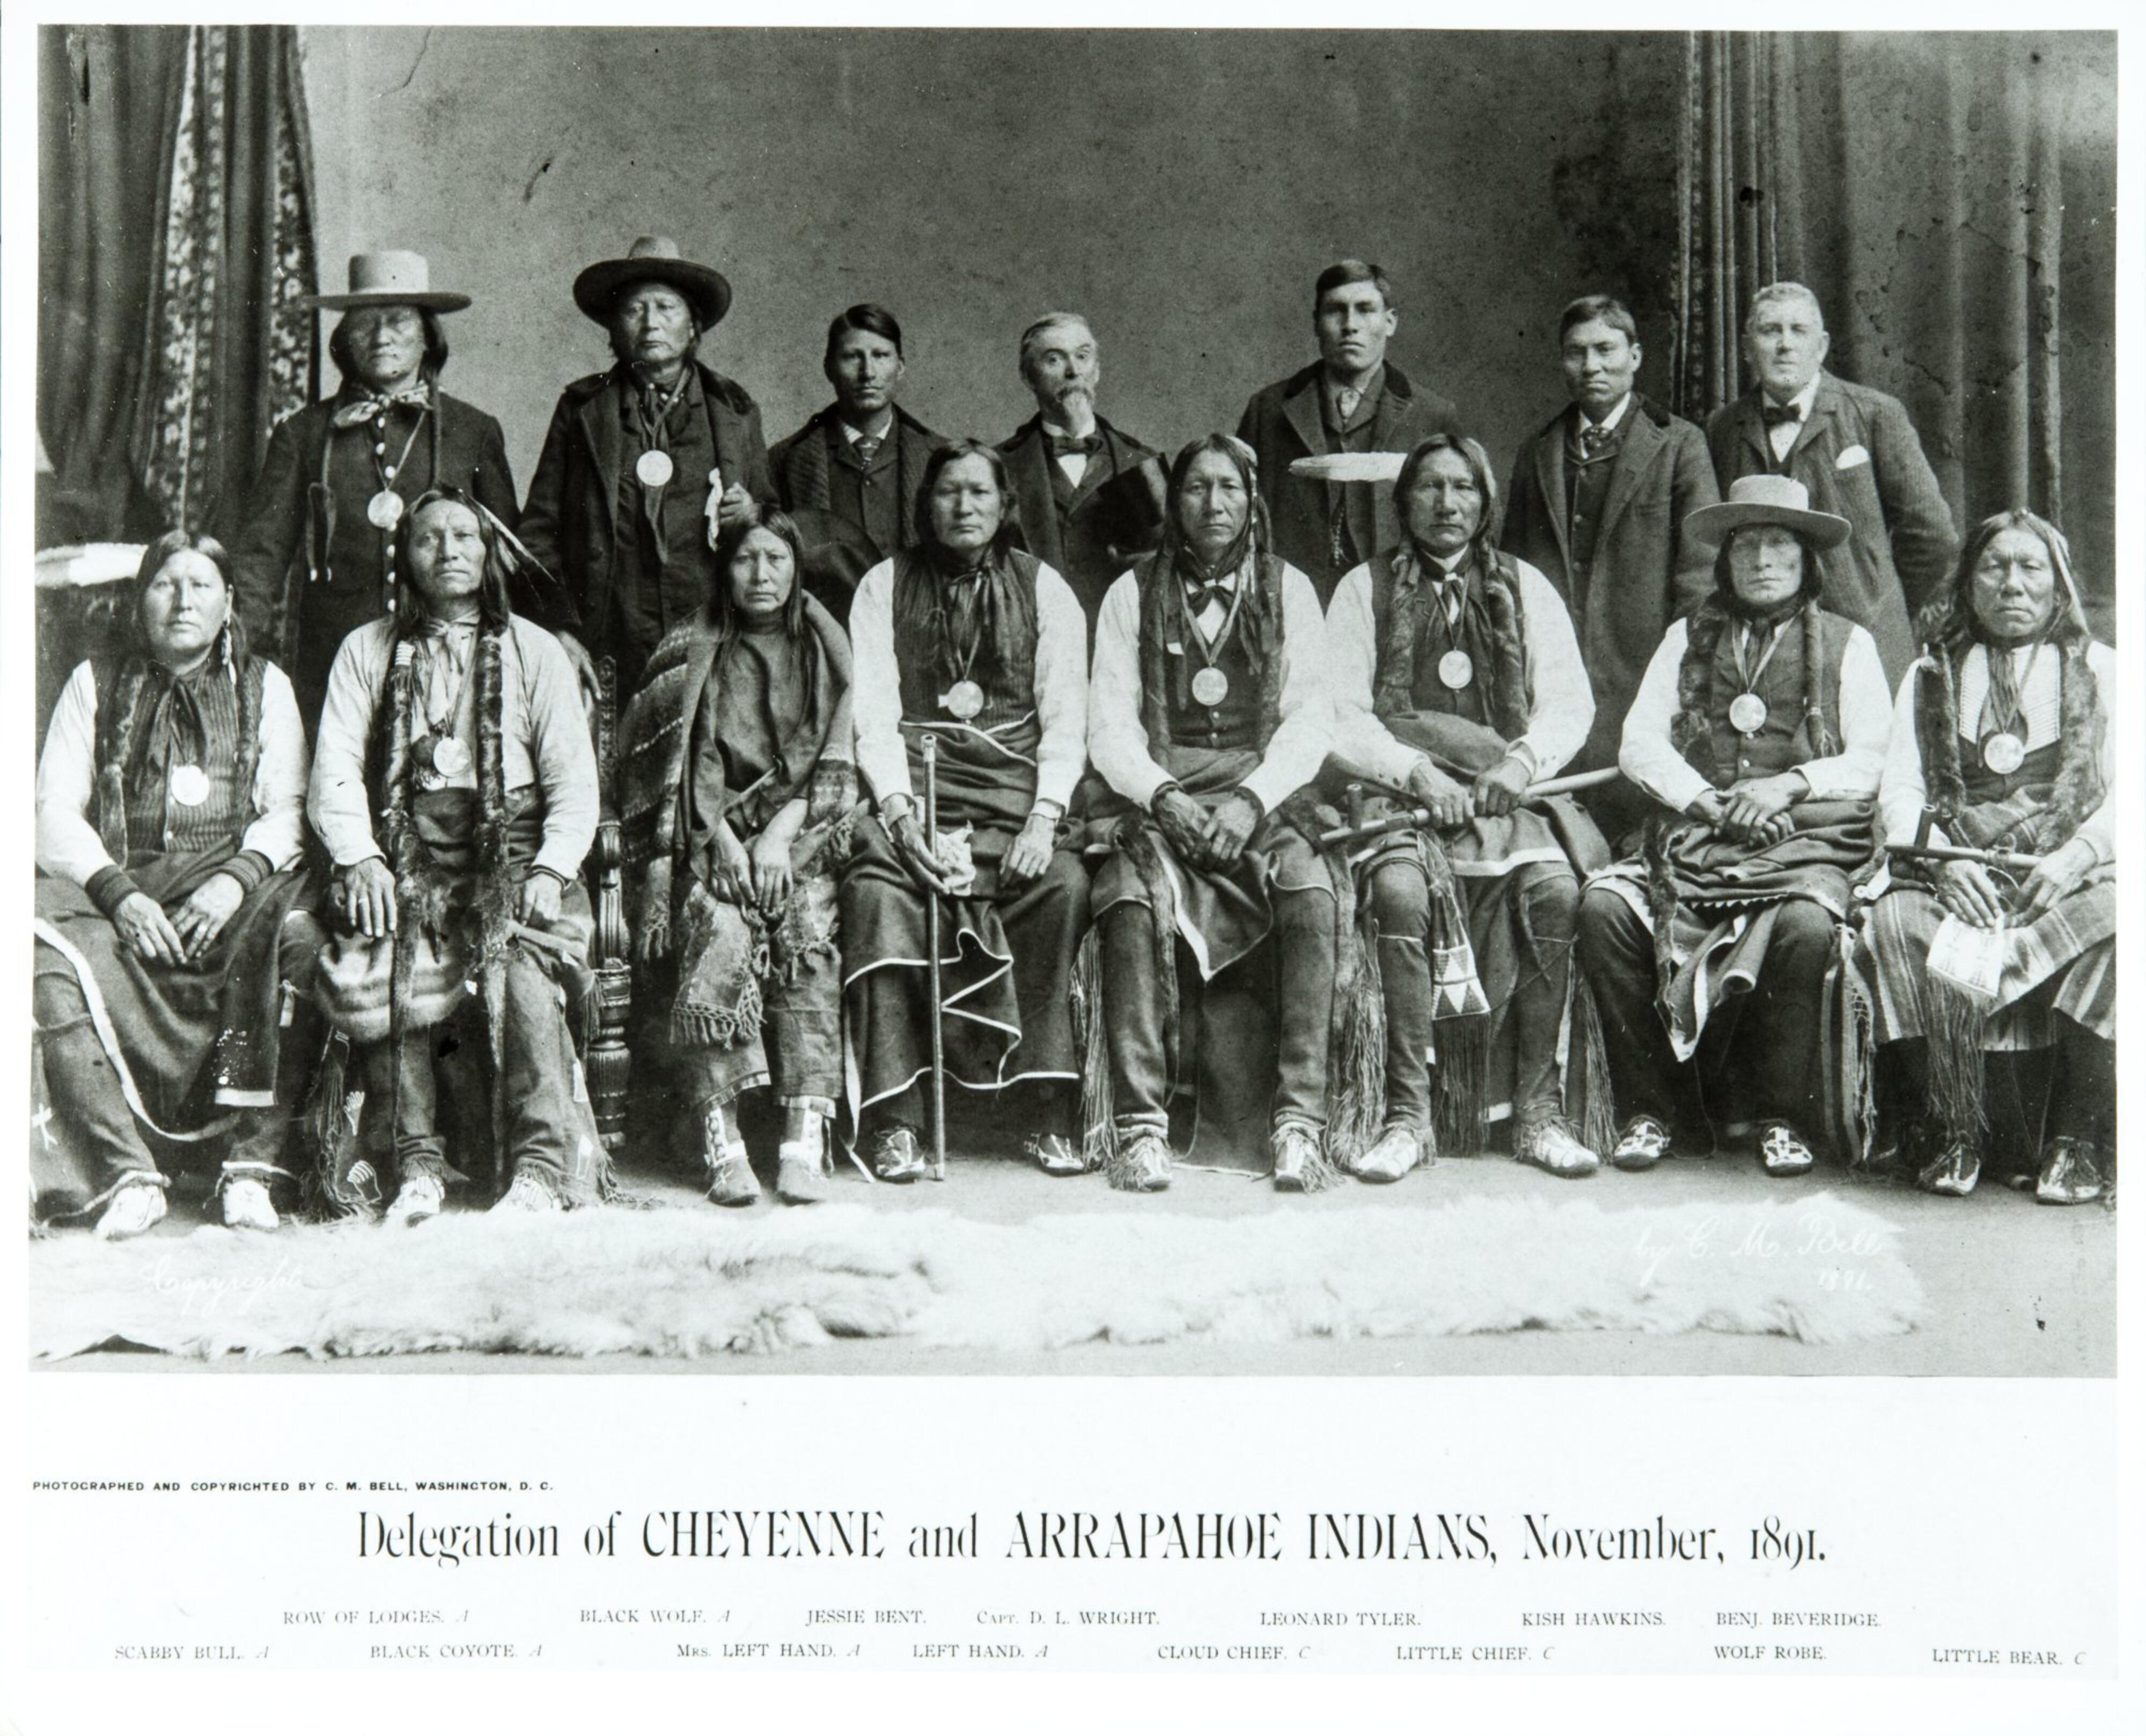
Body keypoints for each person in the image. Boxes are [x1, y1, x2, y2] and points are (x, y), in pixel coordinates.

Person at [1577, 475, 1892, 1178]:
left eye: (1779, 542)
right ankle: (1656, 1110)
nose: (1762, 560)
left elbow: (1874, 756)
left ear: (1809, 558)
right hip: (1698, 835)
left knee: (1807, 927)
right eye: (1746, 544)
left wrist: (1788, 784)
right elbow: (1640, 744)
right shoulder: (1685, 638)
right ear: (1726, 557)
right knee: (1604, 909)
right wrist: (1708, 803)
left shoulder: (1850, 645)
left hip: (1804, 837)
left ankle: (1781, 1115)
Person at [308, 489, 604, 1222]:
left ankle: (539, 1169)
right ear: (404, 555)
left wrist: (549, 871)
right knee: (385, 961)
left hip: (519, 851)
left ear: (489, 551)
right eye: (429, 539)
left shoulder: (535, 650)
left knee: (521, 967)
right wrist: (361, 858)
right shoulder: (367, 648)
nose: (449, 552)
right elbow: (336, 767)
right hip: (406, 851)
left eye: (465, 537)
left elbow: (574, 783)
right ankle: (418, 1165)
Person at [1328, 435, 1610, 1180]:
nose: (1447, 504)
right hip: (1402, 798)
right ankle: (1407, 1118)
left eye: (1464, 489)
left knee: (1554, 892)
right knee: (1397, 891)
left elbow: (1569, 704)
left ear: (1486, 505)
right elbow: (1342, 713)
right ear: (1402, 502)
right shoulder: (1365, 589)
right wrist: (1417, 773)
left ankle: (1538, 1114)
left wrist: (1521, 762)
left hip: (1502, 797)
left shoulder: (1525, 586)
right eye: (1429, 488)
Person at [33, 533, 320, 1237]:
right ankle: (125, 1172)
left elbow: (288, 810)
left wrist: (235, 881)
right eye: (166, 584)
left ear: (229, 604)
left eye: (201, 585)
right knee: (35, 954)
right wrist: (116, 894)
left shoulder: (267, 685)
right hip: (126, 892)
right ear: (142, 601)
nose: (184, 599)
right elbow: (51, 811)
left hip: (232, 894)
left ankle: (252, 1167)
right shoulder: (93, 681)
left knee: (304, 938)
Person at [1086, 434, 1338, 1193]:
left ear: (1252, 499)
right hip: (1160, 792)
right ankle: (1141, 1129)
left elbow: (1310, 717)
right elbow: (1110, 724)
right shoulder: (1132, 592)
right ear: (1175, 502)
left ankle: (1299, 1122)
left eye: (1229, 488)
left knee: (1312, 894)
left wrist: (1251, 800)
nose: (1214, 505)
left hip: (1263, 793)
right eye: (1196, 489)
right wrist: (1162, 796)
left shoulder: (1289, 588)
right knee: (1127, 900)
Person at [842, 440, 1091, 1179]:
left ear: (1005, 505)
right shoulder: (883, 585)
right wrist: (900, 817)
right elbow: (874, 718)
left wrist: (1044, 820)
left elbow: (1066, 719)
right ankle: (896, 1122)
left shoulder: (1046, 588)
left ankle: (1041, 1112)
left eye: (980, 493)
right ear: (926, 504)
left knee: (1063, 887)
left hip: (1013, 796)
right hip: (918, 792)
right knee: (878, 892)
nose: (964, 507)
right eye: (949, 493)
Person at [1860, 510, 2114, 1203]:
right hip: (1959, 867)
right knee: (1895, 924)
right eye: (1994, 567)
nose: (2012, 584)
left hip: (2058, 870)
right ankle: (1954, 1127)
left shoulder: (2103, 671)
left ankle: (2076, 1138)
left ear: (2058, 584)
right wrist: (1944, 861)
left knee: (2124, 918)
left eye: (2030, 567)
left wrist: (2080, 854)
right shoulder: (1930, 674)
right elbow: (1903, 788)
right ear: (1968, 584)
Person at [617, 512, 857, 1208]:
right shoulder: (690, 649)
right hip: (707, 844)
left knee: (808, 934)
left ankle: (802, 1135)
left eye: (776, 559)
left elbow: (825, 761)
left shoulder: (823, 648)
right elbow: (677, 765)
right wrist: (719, 841)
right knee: (718, 931)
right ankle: (721, 1136)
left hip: (803, 843)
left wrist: (780, 838)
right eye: (747, 559)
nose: (762, 575)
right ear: (725, 569)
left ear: (796, 568)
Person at [231, 251, 520, 731]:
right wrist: (229, 650)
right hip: (332, 665)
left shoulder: (473, 431)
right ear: (344, 341)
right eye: (365, 324)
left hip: (450, 663)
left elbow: (508, 561)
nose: (382, 337)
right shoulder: (303, 434)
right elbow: (261, 559)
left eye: (399, 322)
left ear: (428, 336)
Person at [519, 236, 778, 702]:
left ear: (694, 325)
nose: (651, 323)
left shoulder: (734, 410)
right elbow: (538, 531)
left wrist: (752, 516)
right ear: (614, 327)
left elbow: (776, 525)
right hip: (603, 637)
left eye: (666, 308)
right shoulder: (582, 410)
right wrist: (558, 628)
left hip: (710, 632)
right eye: (635, 310)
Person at [1501, 294, 1718, 837]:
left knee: (1637, 828)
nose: (1591, 365)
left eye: (1605, 349)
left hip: (1641, 674)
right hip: (1554, 680)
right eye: (1576, 353)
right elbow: (1511, 574)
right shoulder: (1539, 451)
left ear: (1636, 355)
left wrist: (1683, 680)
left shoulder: (1679, 444)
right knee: (1562, 828)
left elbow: (1700, 575)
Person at [1705, 281, 1958, 687]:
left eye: (1798, 331)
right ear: (1747, 348)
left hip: (1867, 643)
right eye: (1770, 331)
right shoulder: (1723, 427)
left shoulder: (1877, 414)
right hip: (1759, 649)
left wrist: (1879, 599)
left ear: (1821, 347)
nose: (1785, 345)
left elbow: (1933, 536)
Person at [1236, 260, 1464, 606]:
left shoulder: (1433, 416)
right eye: (1335, 311)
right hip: (1293, 608)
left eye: (1365, 310)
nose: (1350, 326)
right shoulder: (1267, 411)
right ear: (1316, 323)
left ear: (1390, 322)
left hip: (1396, 606)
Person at [768, 304, 945, 620]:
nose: (868, 373)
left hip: (921, 629)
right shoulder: (785, 461)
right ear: (829, 368)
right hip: (827, 635)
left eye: (881, 356)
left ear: (900, 367)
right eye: (852, 357)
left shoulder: (940, 458)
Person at [996, 313, 1166, 629]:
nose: (1073, 372)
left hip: (1121, 646)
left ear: (1097, 370)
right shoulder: (996, 467)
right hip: (1031, 646)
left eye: (1083, 356)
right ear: (1027, 376)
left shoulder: (1143, 463)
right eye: (1054, 360)